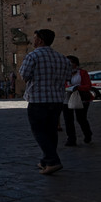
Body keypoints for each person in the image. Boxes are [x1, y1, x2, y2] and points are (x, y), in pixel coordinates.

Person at [19, 29, 72, 176]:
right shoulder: (62, 58)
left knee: (39, 131)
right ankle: (45, 160)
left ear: (40, 40)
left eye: (34, 37)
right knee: (51, 131)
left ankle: (53, 161)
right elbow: (68, 77)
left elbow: (24, 75)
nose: (33, 40)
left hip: (38, 100)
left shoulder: (33, 56)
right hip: (57, 100)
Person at [63, 55, 93, 146]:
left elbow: (88, 86)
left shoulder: (83, 73)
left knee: (81, 118)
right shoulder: (63, 73)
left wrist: (77, 88)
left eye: (70, 62)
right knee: (68, 120)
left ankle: (88, 134)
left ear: (75, 64)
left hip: (81, 98)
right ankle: (71, 139)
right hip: (67, 99)